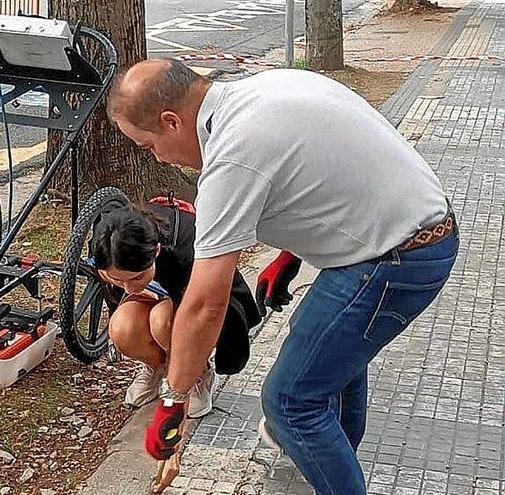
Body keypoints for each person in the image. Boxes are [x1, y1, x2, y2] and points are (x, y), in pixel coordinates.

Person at [106, 59, 458, 495]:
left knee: (290, 401)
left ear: (171, 121)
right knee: (324, 356)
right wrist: (290, 254)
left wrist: (174, 401)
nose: (155, 156)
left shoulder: (231, 158)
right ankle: (329, 464)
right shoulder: (263, 90)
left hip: (400, 257)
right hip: (414, 228)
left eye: (147, 145)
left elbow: (204, 304)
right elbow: (329, 169)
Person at [90, 199, 260, 419]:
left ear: (156, 251)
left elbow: (208, 310)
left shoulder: (188, 247)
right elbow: (116, 281)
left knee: (161, 322)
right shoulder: (107, 242)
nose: (128, 287)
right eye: (117, 279)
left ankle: (198, 372)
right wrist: (137, 288)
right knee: (123, 328)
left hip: (203, 299)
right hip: (160, 292)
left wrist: (176, 396)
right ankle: (157, 367)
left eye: (137, 277)